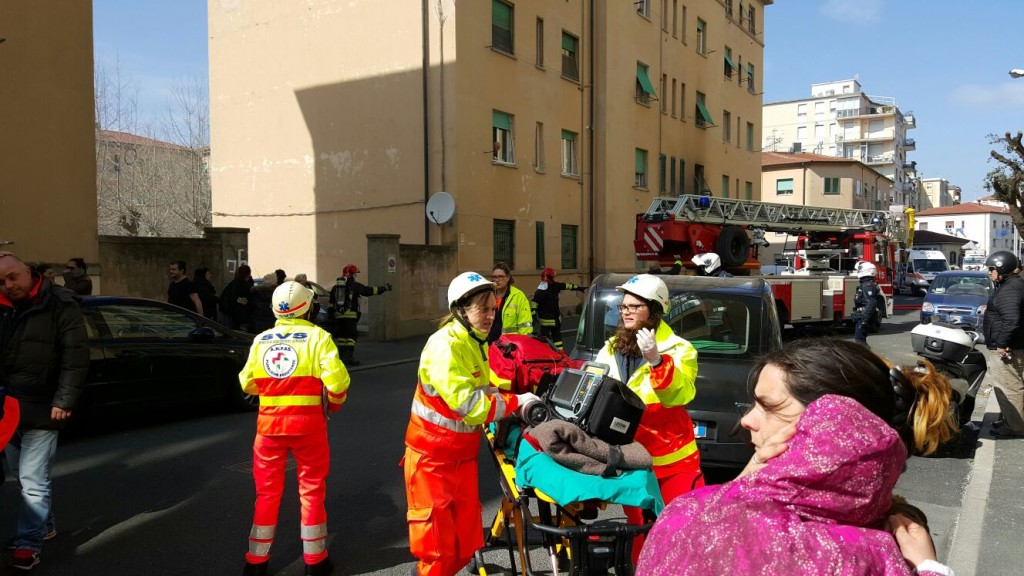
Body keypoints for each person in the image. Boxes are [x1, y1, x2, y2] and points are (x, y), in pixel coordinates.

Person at [636, 338, 958, 576]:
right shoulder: (893, 546)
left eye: (770, 407)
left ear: (840, 427)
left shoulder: (705, 518)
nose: (747, 420)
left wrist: (734, 491)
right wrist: (931, 570)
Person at [403, 272, 540, 576]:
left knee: (466, 542)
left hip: (461, 457)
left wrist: (512, 400)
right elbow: (471, 406)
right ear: (461, 311)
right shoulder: (446, 347)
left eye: (493, 309)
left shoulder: (474, 341)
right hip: (432, 460)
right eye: (483, 309)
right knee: (437, 549)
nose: (490, 316)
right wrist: (516, 403)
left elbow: (483, 391)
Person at [239, 281, 350, 576]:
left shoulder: (261, 340)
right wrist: (334, 404)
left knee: (266, 494)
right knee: (311, 491)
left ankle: (256, 562)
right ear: (309, 308)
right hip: (309, 428)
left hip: (268, 429)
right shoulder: (319, 338)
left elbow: (247, 383)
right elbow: (338, 383)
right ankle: (315, 561)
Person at [592, 273, 702, 560]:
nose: (625, 312)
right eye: (623, 306)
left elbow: (679, 396)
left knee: (679, 531)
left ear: (653, 310)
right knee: (640, 532)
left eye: (634, 307)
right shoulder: (612, 346)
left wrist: (657, 362)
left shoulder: (679, 349)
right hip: (633, 458)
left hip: (674, 460)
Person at [0, 252, 88, 571]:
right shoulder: (3, 308)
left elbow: (75, 357)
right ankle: (44, 526)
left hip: (43, 407)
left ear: (28, 271)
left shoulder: (60, 304)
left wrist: (63, 401)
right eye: (1, 282)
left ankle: (28, 544)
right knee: (21, 476)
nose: (8, 285)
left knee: (32, 479)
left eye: (13, 277)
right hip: (8, 407)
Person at [982, 250, 1024, 438]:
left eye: (991, 269)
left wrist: (1001, 344)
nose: (989, 272)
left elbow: (1011, 320)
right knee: (1013, 385)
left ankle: (1015, 426)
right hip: (1013, 344)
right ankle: (1012, 419)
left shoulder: (1010, 289)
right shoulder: (1012, 285)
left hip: (1008, 348)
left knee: (1009, 387)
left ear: (1001, 268)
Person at [328, 264, 391, 366]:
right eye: (355, 274)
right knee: (351, 337)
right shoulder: (355, 286)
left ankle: (342, 357)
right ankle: (349, 357)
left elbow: (331, 303)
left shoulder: (335, 288)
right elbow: (369, 291)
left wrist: (331, 316)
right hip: (351, 317)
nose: (356, 276)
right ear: (352, 274)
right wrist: (384, 288)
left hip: (339, 317)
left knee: (342, 337)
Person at [530, 267, 585, 349]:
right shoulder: (548, 288)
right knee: (554, 339)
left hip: (549, 321)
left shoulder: (543, 290)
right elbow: (566, 286)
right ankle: (558, 352)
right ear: (547, 277)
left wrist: (578, 288)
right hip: (553, 321)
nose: (553, 280)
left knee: (548, 340)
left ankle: (555, 352)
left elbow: (566, 286)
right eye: (552, 278)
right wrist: (578, 288)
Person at [486, 262, 533, 343]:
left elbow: (525, 325)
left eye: (500, 276)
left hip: (509, 345)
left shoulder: (518, 296)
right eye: (494, 277)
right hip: (488, 343)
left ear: (508, 278)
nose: (497, 280)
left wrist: (523, 344)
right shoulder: (487, 295)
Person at [854, 260, 880, 347]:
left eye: (859, 270)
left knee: (860, 340)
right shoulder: (867, 284)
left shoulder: (867, 285)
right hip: (862, 315)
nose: (858, 272)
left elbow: (871, 302)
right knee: (860, 339)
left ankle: (864, 354)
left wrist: (864, 319)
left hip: (863, 316)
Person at [220, 264, 254, 330]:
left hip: (230, 317)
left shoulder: (232, 284)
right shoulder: (249, 287)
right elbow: (252, 303)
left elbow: (223, 299)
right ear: (248, 274)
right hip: (243, 319)